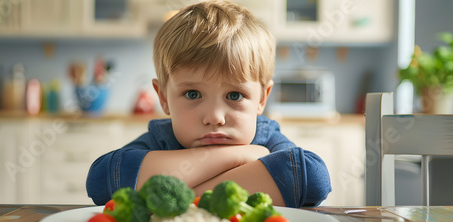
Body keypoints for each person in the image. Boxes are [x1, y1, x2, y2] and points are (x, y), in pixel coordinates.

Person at [86, 0, 331, 207]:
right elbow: (100, 180)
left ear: (262, 99)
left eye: (234, 96)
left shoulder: (266, 136)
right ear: (163, 98)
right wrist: (237, 156)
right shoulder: (161, 138)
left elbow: (314, 178)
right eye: (193, 94)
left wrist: (178, 199)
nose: (215, 117)